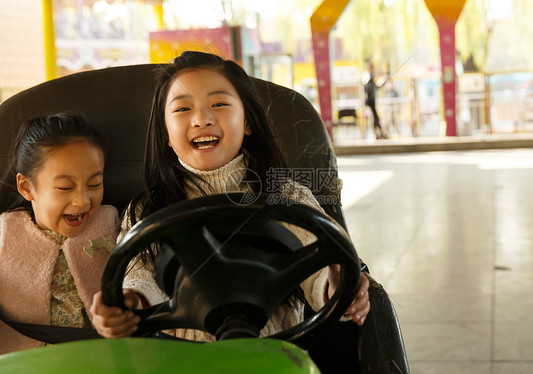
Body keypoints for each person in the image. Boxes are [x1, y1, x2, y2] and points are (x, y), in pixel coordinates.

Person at [90, 50, 371, 341]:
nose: (201, 119)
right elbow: (139, 276)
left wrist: (338, 285)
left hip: (273, 359)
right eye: (183, 109)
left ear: (248, 122)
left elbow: (320, 272)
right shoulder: (147, 210)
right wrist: (130, 302)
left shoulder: (285, 196)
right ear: (166, 135)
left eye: (219, 103)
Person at [0, 113, 120, 355]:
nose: (83, 200)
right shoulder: (5, 234)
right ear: (26, 187)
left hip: (103, 359)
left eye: (95, 184)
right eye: (65, 187)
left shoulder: (114, 225)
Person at [363, 62, 385, 139]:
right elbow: (368, 88)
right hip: (370, 102)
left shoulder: (370, 77)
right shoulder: (367, 77)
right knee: (374, 118)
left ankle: (378, 133)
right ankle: (377, 133)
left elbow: (375, 87)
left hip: (372, 101)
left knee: (375, 118)